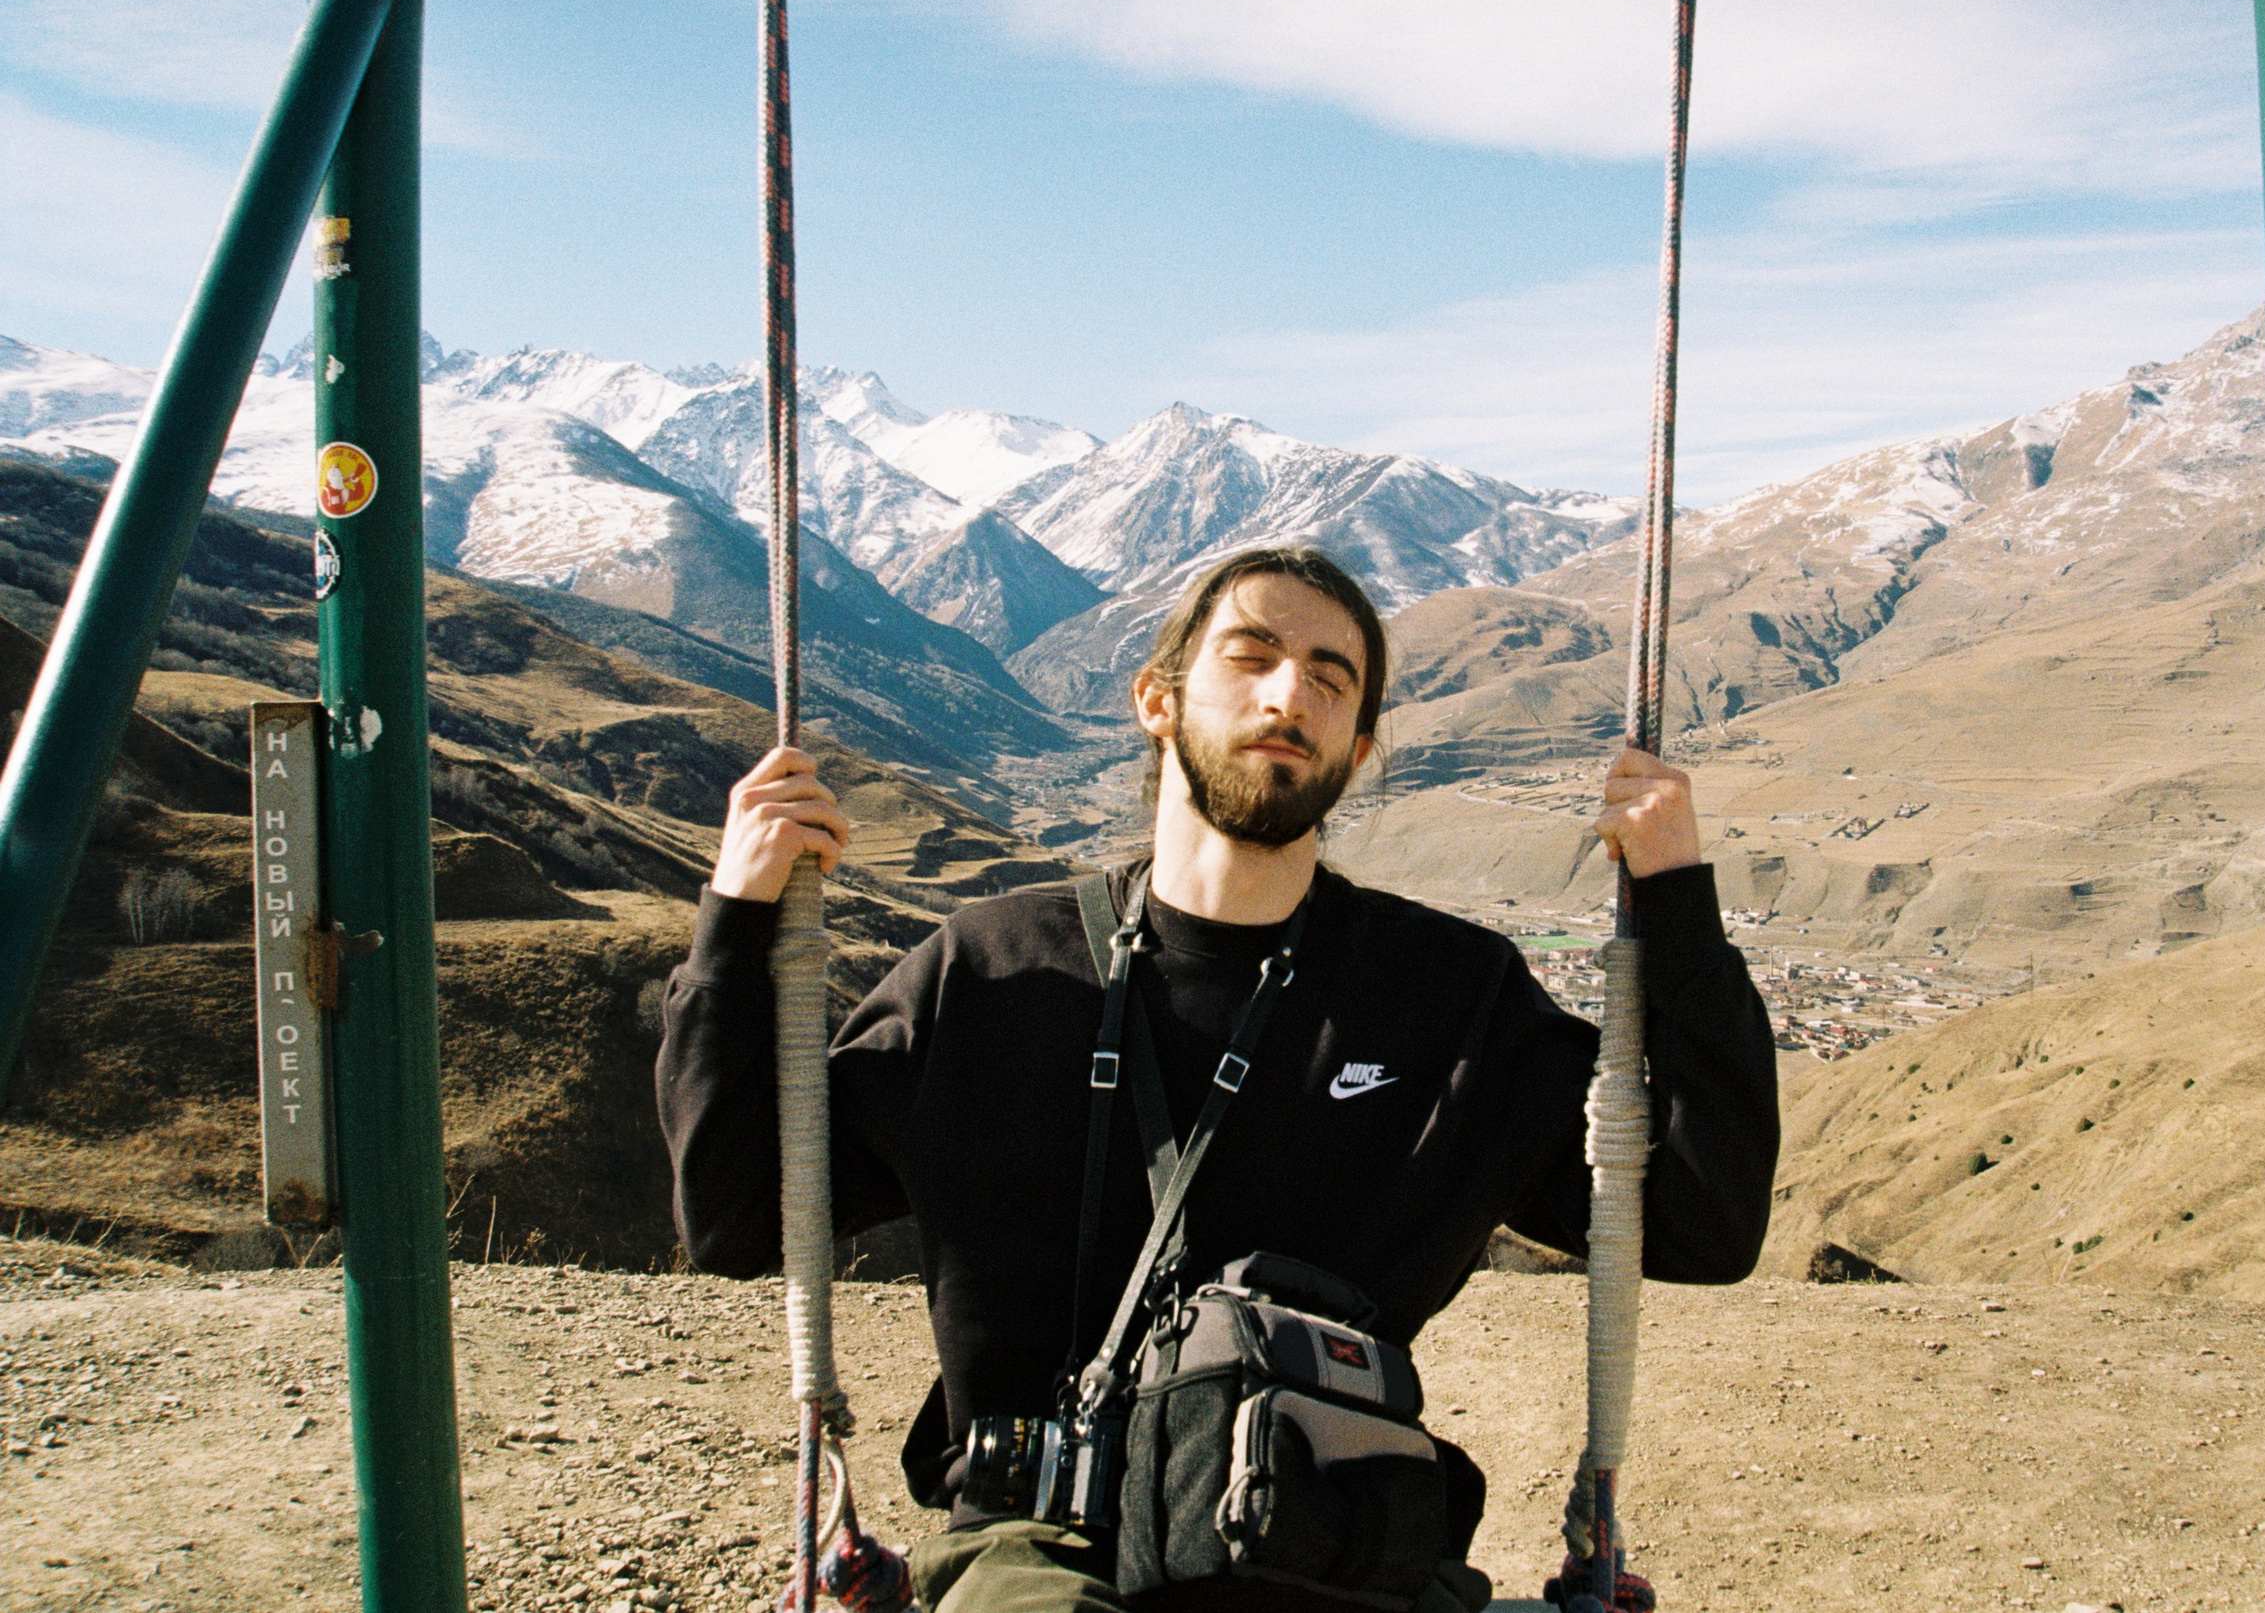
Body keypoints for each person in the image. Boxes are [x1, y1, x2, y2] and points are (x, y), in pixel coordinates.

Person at [657, 544, 1779, 1613]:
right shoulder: (990, 973)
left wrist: (1677, 905)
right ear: (1157, 699)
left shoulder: (1452, 1000)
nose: (1289, 694)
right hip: (1041, 1545)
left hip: (1336, 1544)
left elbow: (1697, 1223)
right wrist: (737, 920)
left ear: (1361, 745)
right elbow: (741, 1214)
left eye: (1331, 678)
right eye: (1250, 656)